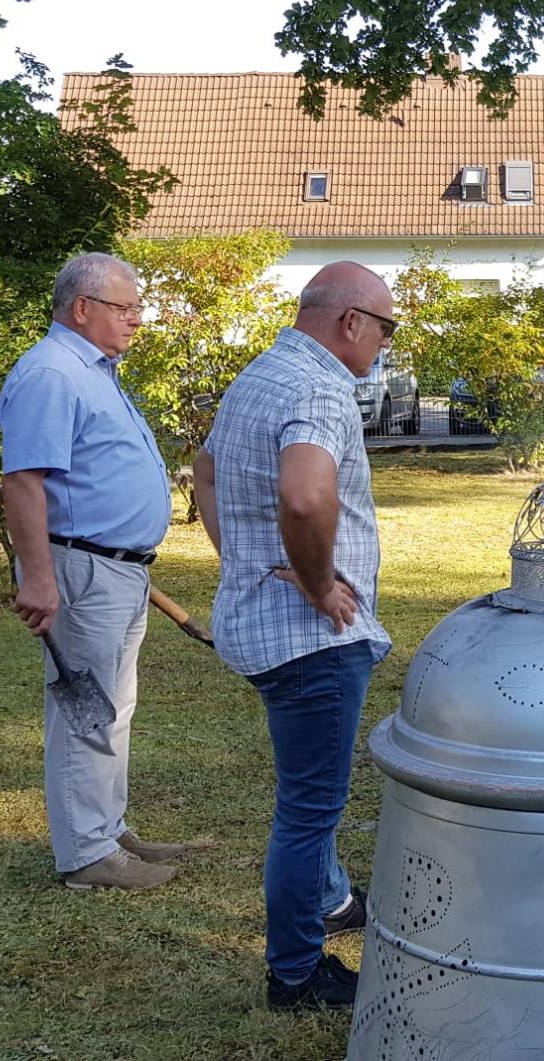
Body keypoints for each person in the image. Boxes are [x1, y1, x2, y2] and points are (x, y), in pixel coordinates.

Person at [194, 261, 394, 1011]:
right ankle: (296, 974)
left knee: (308, 795)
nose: (384, 342)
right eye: (385, 326)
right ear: (350, 322)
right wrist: (314, 582)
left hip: (266, 632)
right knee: (310, 808)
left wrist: (242, 558)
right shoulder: (318, 388)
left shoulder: (263, 373)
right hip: (311, 642)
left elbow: (204, 472)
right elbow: (306, 494)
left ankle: (335, 898)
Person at [0, 252, 184, 892]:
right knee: (86, 710)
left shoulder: (93, 371)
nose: (138, 319)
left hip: (119, 572)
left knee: (113, 706)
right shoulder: (52, 374)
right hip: (81, 570)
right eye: (125, 307)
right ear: (83, 309)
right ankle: (85, 854)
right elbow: (23, 483)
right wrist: (40, 579)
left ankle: (106, 829)